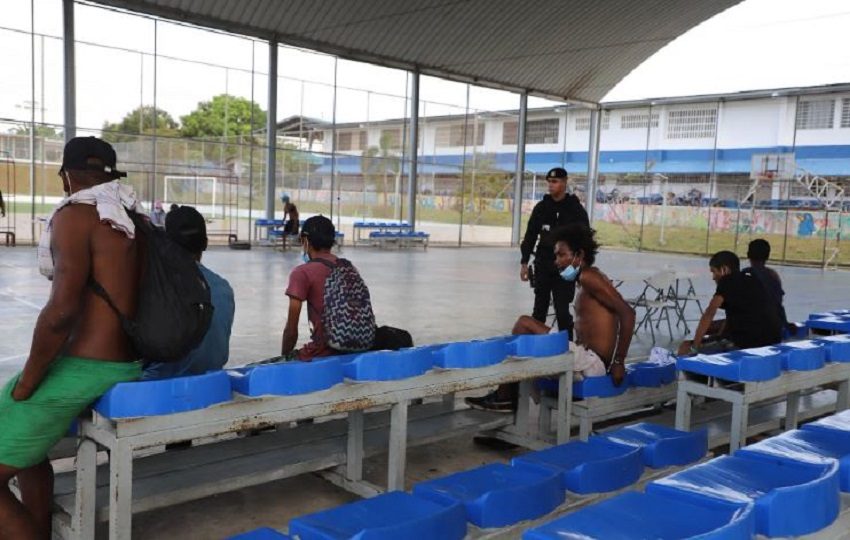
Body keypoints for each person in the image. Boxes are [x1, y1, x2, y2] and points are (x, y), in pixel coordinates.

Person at [0, 136, 142, 539]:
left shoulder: (76, 216)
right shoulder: (133, 219)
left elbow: (60, 314)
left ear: (66, 176)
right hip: (124, 361)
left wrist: (30, 379)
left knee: (16, 398)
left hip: (88, 366)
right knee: (22, 443)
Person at [467, 225, 634, 411]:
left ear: (579, 255)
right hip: (585, 360)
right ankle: (508, 395)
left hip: (592, 364)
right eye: (556, 256)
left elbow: (627, 313)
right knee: (526, 350)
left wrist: (619, 361)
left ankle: (505, 396)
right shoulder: (584, 280)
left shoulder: (589, 277)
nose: (557, 261)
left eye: (562, 255)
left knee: (525, 324)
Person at [142, 206, 235, 380]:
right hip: (209, 385)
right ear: (205, 243)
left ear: (167, 244)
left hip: (158, 388)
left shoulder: (154, 286)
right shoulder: (224, 288)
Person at [282, 215, 371, 360]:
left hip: (322, 352)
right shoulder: (349, 267)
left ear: (305, 240)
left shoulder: (302, 272)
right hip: (356, 349)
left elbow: (291, 331)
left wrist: (284, 360)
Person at [520, 167, 589, 334]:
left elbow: (585, 240)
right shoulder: (541, 208)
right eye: (549, 182)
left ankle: (568, 348)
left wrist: (581, 268)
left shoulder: (575, 210)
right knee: (539, 311)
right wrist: (524, 262)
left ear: (564, 183)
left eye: (555, 182)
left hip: (565, 268)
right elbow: (530, 236)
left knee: (562, 312)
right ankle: (537, 346)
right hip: (543, 265)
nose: (551, 185)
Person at [678, 250, 782, 356]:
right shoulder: (752, 279)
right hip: (772, 339)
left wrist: (694, 347)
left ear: (724, 269)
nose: (713, 277)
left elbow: (709, 313)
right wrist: (719, 335)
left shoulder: (726, 281)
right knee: (713, 328)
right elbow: (736, 313)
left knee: (685, 346)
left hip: (748, 344)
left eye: (714, 271)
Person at [743, 238, 794, 334]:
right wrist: (786, 324)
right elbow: (778, 304)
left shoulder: (744, 274)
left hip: (750, 330)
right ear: (768, 256)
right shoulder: (773, 275)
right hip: (773, 329)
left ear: (748, 255)